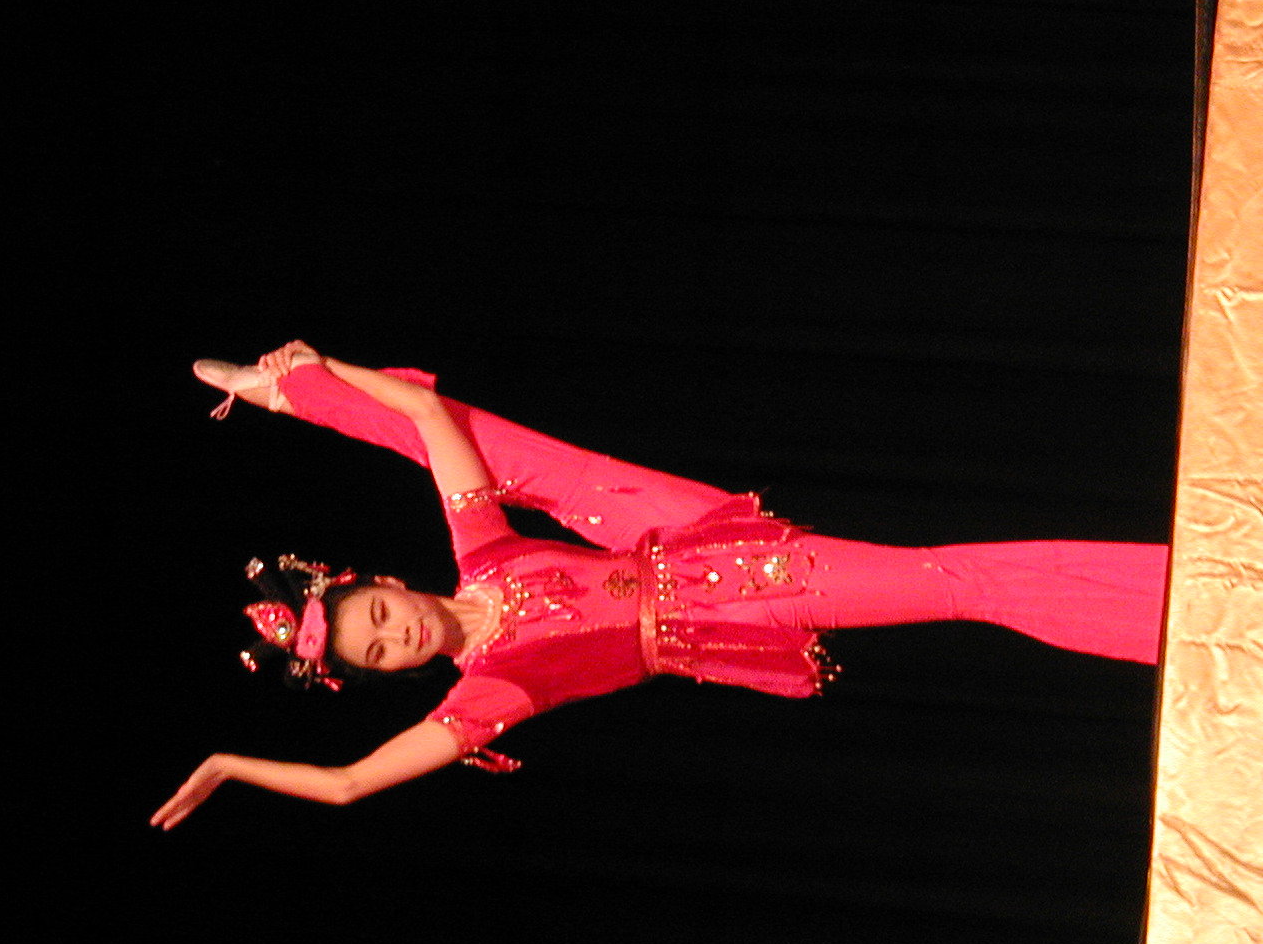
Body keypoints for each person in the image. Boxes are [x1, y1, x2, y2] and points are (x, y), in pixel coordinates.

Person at [150, 341, 1166, 829]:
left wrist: (312, 372)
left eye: (377, 615)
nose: (395, 634)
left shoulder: (482, 550)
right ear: (389, 670)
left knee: (956, 575)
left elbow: (428, 422)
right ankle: (1170, 616)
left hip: (730, 558)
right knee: (960, 590)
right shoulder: (489, 691)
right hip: (737, 621)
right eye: (377, 652)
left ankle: (1171, 590)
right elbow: (348, 783)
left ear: (385, 583)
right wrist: (230, 765)